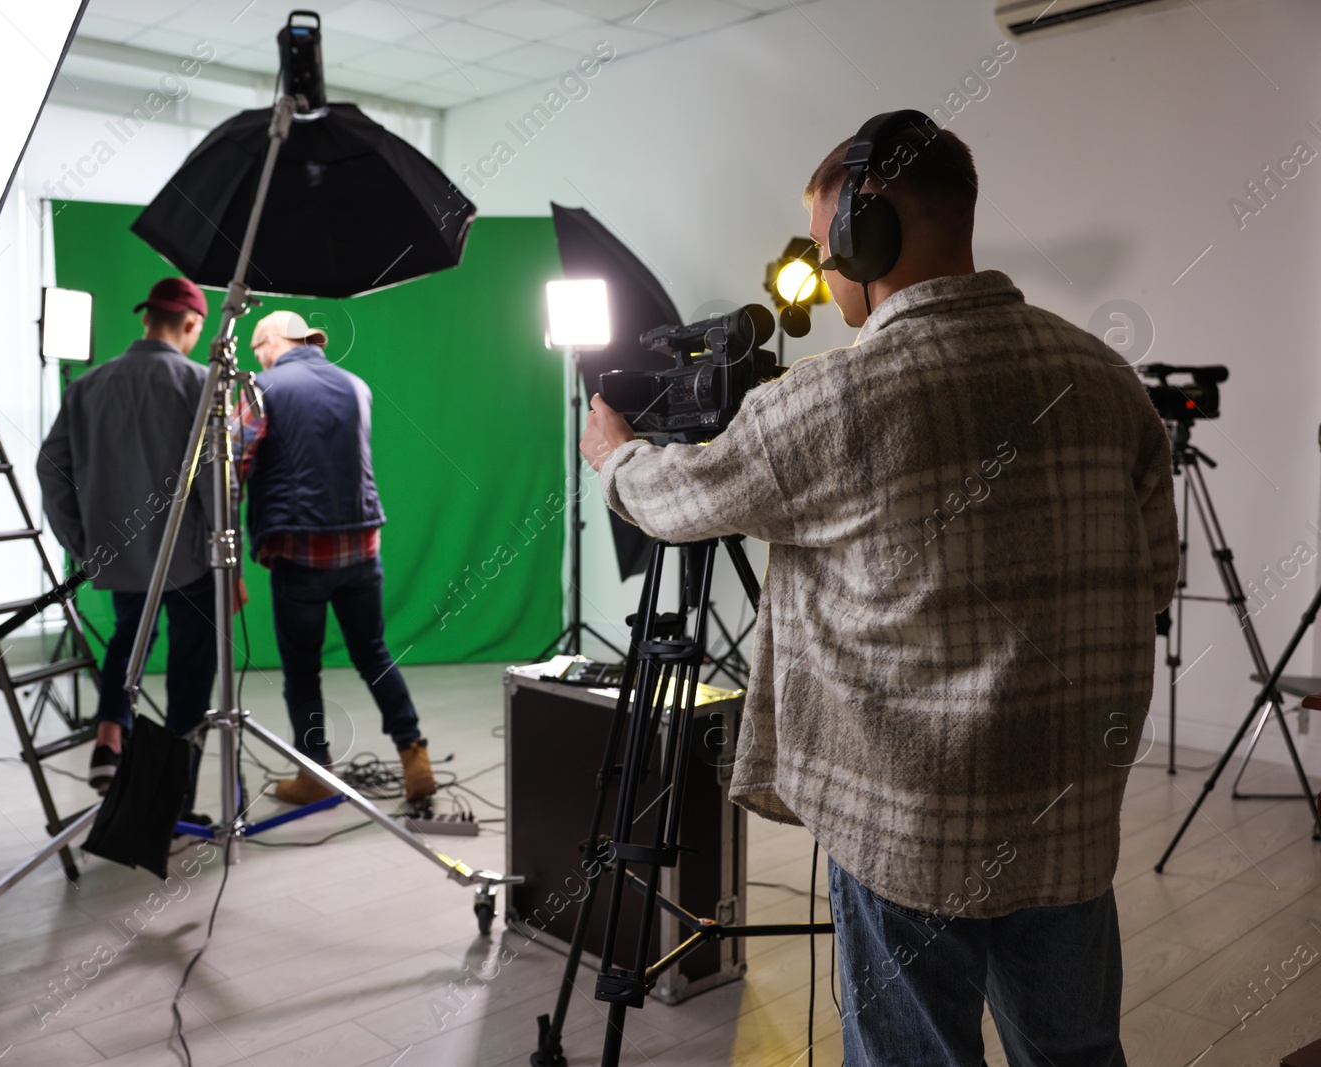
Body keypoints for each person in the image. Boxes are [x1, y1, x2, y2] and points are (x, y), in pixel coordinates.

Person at [579, 116, 1176, 1065]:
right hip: (1070, 806)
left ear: (868, 232)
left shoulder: (831, 398)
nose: (822, 266)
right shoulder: (1106, 379)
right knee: (1074, 1051)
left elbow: (678, 499)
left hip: (910, 826)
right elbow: (1156, 575)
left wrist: (614, 457)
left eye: (826, 244)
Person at [38, 276, 235, 809]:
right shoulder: (200, 384)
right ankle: (175, 795)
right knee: (191, 673)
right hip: (191, 558)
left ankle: (109, 736)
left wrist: (81, 542)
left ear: (146, 317)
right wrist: (228, 563)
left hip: (120, 557)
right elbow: (218, 480)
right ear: (193, 323)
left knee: (129, 641)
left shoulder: (86, 387)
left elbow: (50, 468)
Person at [233, 310, 435, 805]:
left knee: (302, 669)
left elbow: (233, 465)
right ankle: (415, 756)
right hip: (362, 547)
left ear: (273, 342)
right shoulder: (355, 385)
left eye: (258, 347)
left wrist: (232, 556)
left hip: (300, 551)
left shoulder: (262, 386)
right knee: (373, 654)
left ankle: (316, 774)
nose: (255, 357)